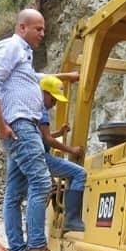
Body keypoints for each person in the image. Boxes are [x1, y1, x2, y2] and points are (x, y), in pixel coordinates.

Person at [0, 8, 75, 251]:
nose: (43, 33)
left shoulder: (23, 54)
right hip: (21, 125)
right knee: (42, 182)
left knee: (13, 193)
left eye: (43, 29)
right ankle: (37, 249)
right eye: (38, 29)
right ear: (22, 27)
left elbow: (35, 78)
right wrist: (1, 125)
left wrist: (66, 77)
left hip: (21, 125)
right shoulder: (11, 48)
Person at [38, 75, 86, 232]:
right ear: (44, 93)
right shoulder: (42, 111)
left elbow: (43, 136)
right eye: (53, 100)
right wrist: (71, 150)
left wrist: (59, 132)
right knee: (80, 173)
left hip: (35, 155)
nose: (54, 104)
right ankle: (72, 219)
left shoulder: (33, 108)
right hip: (42, 157)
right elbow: (47, 139)